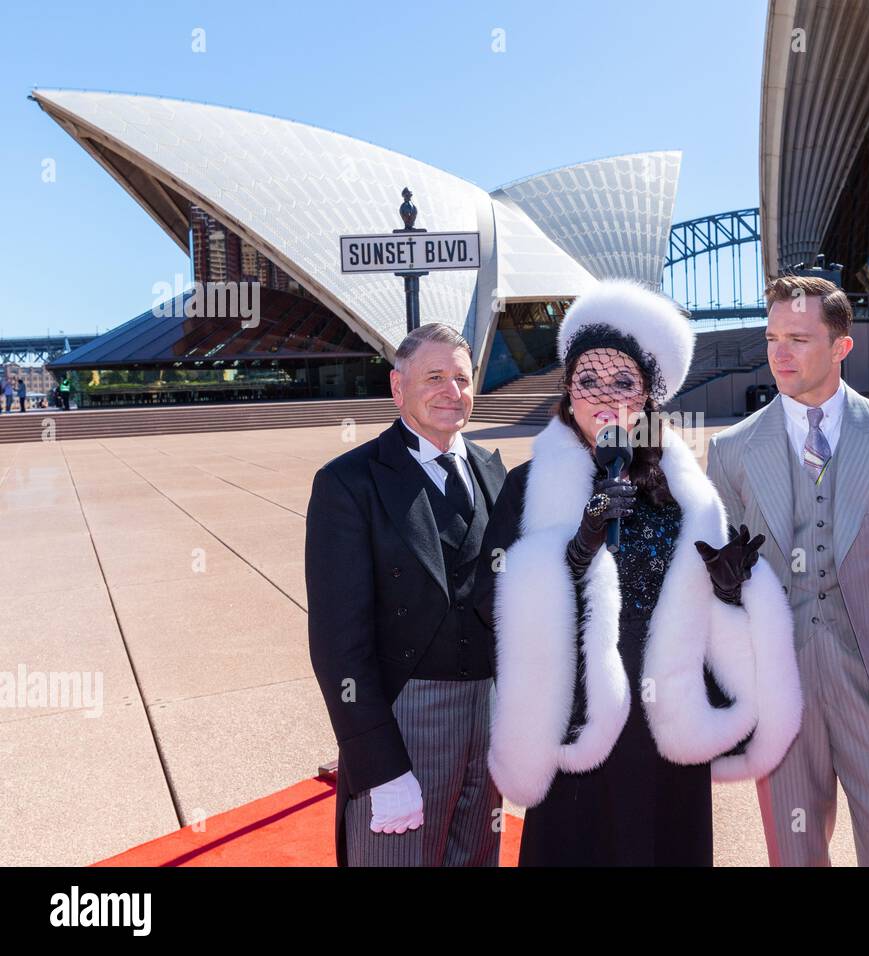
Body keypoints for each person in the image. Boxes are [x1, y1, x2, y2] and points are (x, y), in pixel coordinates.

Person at [476, 279, 801, 866]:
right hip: (579, 718)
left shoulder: (686, 491)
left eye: (624, 383)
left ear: (649, 397)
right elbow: (488, 601)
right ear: (568, 392)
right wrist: (576, 549)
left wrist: (732, 591)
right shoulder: (526, 487)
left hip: (664, 725)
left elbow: (708, 613)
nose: (605, 397)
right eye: (588, 381)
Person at [707, 275, 869, 866]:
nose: (780, 353)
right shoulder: (731, 449)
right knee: (794, 850)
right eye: (771, 339)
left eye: (798, 338)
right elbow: (724, 572)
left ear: (842, 345)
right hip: (779, 685)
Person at [305, 322, 507, 866]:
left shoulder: (493, 471)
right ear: (398, 388)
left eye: (462, 379)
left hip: (487, 720)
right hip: (404, 719)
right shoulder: (349, 483)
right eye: (435, 377)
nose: (452, 392)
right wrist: (379, 765)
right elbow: (337, 646)